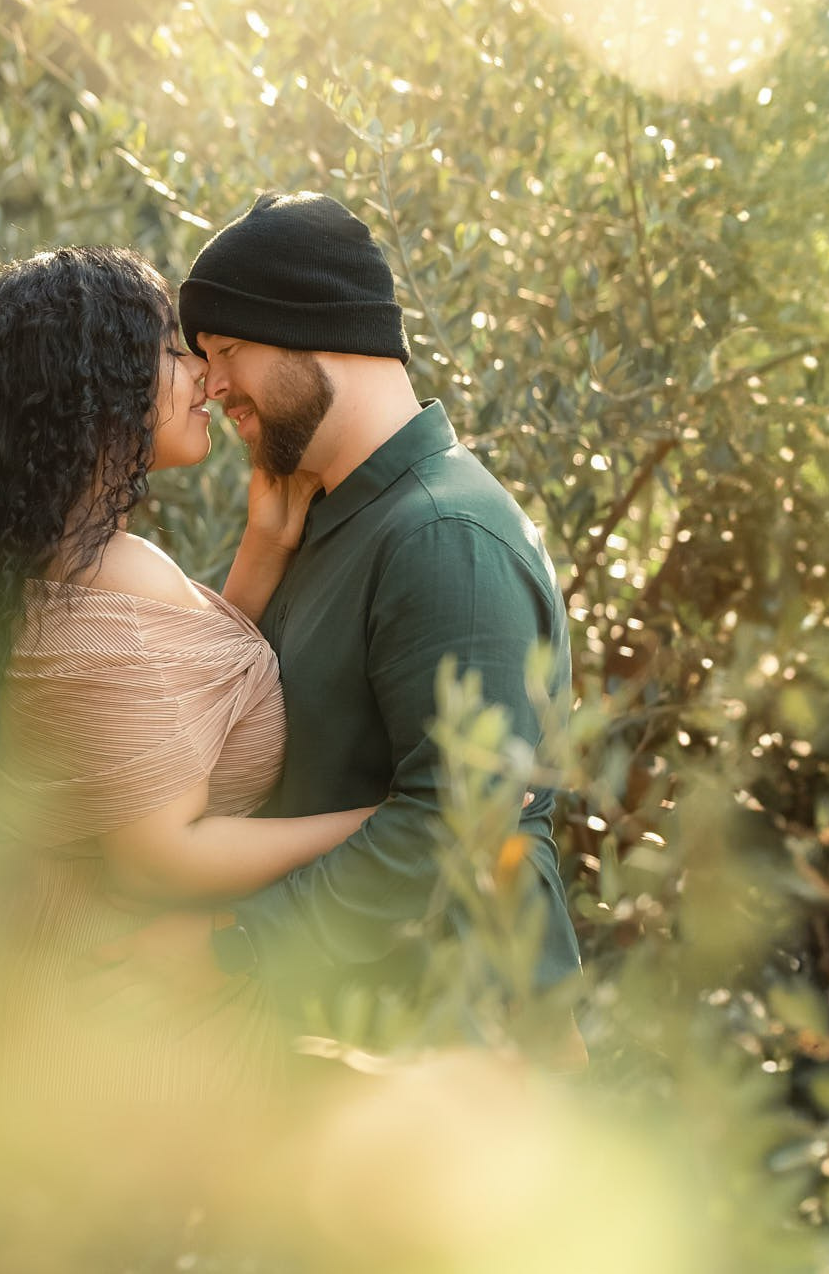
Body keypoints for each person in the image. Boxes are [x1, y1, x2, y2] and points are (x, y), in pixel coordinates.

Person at [0, 245, 375, 1261]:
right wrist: (391, 818)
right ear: (94, 386)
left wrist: (256, 558)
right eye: (171, 350)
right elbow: (160, 851)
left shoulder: (50, 564)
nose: (204, 376)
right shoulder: (95, 583)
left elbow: (159, 724)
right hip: (104, 1043)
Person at [113, 189, 583, 1040]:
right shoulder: (329, 518)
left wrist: (233, 945)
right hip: (346, 1046)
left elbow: (458, 826)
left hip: (454, 1061)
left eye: (225, 348)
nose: (211, 386)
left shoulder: (445, 536)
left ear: (311, 327)